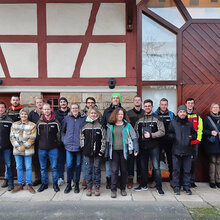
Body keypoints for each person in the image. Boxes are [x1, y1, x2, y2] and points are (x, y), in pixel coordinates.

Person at [106, 108, 139, 198]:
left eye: (121, 114)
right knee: (114, 171)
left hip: (124, 151)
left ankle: (123, 188)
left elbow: (134, 137)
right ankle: (113, 190)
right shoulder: (110, 126)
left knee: (124, 171)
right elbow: (108, 140)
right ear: (115, 115)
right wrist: (106, 153)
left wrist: (136, 149)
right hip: (113, 152)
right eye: (118, 114)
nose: (120, 116)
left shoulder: (127, 125)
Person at [135, 99, 165, 195]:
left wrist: (151, 135)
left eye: (149, 106)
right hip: (143, 147)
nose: (147, 107)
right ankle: (143, 185)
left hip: (154, 147)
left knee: (156, 167)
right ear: (144, 107)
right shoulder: (140, 120)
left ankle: (159, 187)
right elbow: (136, 131)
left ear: (152, 107)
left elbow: (162, 132)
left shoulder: (157, 118)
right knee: (143, 168)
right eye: (146, 106)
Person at [168, 105, 197, 195]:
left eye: (184, 112)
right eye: (181, 112)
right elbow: (168, 134)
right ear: (178, 113)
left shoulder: (189, 123)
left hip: (187, 150)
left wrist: (190, 137)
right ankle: (176, 187)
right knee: (176, 170)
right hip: (176, 150)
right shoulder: (173, 123)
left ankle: (187, 187)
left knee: (187, 170)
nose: (182, 113)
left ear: (186, 113)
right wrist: (174, 137)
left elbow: (194, 134)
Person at [10, 108, 37, 194]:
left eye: (25, 114)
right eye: (22, 114)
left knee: (28, 167)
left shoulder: (32, 125)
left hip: (28, 150)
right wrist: (17, 146)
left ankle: (29, 184)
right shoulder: (14, 124)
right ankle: (20, 184)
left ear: (27, 115)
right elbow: (12, 137)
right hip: (17, 150)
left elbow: (32, 138)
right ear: (20, 115)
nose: (23, 116)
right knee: (19, 167)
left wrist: (24, 147)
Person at [61, 103, 86, 194]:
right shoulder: (67, 119)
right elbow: (62, 131)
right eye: (73, 108)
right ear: (70, 109)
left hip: (79, 147)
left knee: (78, 165)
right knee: (69, 165)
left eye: (76, 108)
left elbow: (85, 132)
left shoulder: (83, 119)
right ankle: (68, 184)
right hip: (68, 147)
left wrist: (82, 143)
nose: (75, 109)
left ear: (79, 109)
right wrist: (64, 141)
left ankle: (76, 184)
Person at [80, 107, 105, 196]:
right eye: (91, 113)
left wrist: (101, 150)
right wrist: (83, 148)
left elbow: (103, 139)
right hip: (87, 153)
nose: (93, 115)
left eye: (95, 113)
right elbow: (81, 138)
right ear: (89, 114)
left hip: (97, 153)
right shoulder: (85, 126)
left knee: (97, 170)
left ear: (97, 115)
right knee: (88, 170)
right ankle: (89, 187)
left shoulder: (100, 126)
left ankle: (97, 187)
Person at [36, 103, 61, 193]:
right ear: (42, 110)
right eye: (45, 109)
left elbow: (59, 135)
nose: (46, 111)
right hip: (42, 148)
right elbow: (37, 135)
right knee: (43, 168)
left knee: (54, 167)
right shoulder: (39, 122)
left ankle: (55, 184)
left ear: (51, 110)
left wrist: (55, 144)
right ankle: (44, 184)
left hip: (53, 149)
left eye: (48, 109)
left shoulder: (55, 121)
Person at [101, 93, 123, 189]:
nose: (115, 99)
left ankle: (117, 180)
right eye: (113, 98)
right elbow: (103, 124)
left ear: (119, 100)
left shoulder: (123, 111)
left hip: (119, 139)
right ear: (111, 100)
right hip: (108, 139)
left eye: (117, 98)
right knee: (108, 159)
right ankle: (109, 179)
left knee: (117, 161)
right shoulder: (107, 111)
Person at [155, 98, 175, 183]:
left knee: (171, 160)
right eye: (162, 104)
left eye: (165, 104)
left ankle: (172, 179)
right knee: (156, 162)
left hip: (169, 142)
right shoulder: (155, 114)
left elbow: (175, 127)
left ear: (167, 105)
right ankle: (156, 180)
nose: (163, 106)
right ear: (159, 105)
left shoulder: (171, 115)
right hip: (157, 141)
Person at [127, 95, 145, 188]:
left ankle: (139, 178)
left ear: (141, 102)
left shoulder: (145, 113)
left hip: (142, 140)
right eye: (136, 100)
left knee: (140, 160)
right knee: (130, 161)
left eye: (139, 100)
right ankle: (130, 179)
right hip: (131, 140)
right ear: (133, 102)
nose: (137, 102)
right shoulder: (128, 113)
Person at [185, 98, 203, 188]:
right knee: (185, 162)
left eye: (192, 103)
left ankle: (192, 181)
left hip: (194, 143)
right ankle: (185, 180)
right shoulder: (183, 115)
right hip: (185, 143)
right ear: (186, 104)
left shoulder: (197, 116)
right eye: (189, 103)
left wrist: (198, 140)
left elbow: (200, 129)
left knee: (193, 162)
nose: (190, 105)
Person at [81, 97, 98, 189]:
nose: (90, 104)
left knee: (96, 165)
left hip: (96, 143)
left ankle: (95, 181)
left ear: (94, 104)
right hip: (87, 142)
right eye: (88, 102)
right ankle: (86, 179)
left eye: (92, 102)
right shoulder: (82, 114)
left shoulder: (98, 114)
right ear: (86, 104)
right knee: (86, 164)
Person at [203, 103, 220, 188]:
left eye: (217, 107)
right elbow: (203, 130)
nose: (216, 109)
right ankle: (212, 181)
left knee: (219, 162)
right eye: (214, 107)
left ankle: (218, 180)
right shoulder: (207, 118)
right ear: (211, 109)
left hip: (219, 142)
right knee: (213, 162)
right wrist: (210, 132)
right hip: (212, 143)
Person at [54, 97, 70, 187]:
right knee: (60, 160)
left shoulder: (70, 113)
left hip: (70, 141)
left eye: (64, 102)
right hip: (59, 141)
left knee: (70, 161)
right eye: (61, 102)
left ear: (67, 103)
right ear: (59, 104)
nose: (63, 103)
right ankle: (60, 177)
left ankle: (70, 179)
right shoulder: (56, 114)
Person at [28, 97, 44, 187]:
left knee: (45, 160)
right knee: (36, 160)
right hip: (34, 141)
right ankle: (38, 178)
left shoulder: (46, 112)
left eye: (40, 102)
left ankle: (44, 178)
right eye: (37, 102)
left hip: (44, 140)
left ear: (43, 102)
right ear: (35, 104)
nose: (39, 104)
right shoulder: (32, 114)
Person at [0, 102, 14, 191]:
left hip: (7, 147)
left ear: (5, 109)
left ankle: (10, 183)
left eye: (2, 107)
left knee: (8, 165)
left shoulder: (9, 120)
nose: (0, 109)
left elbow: (13, 134)